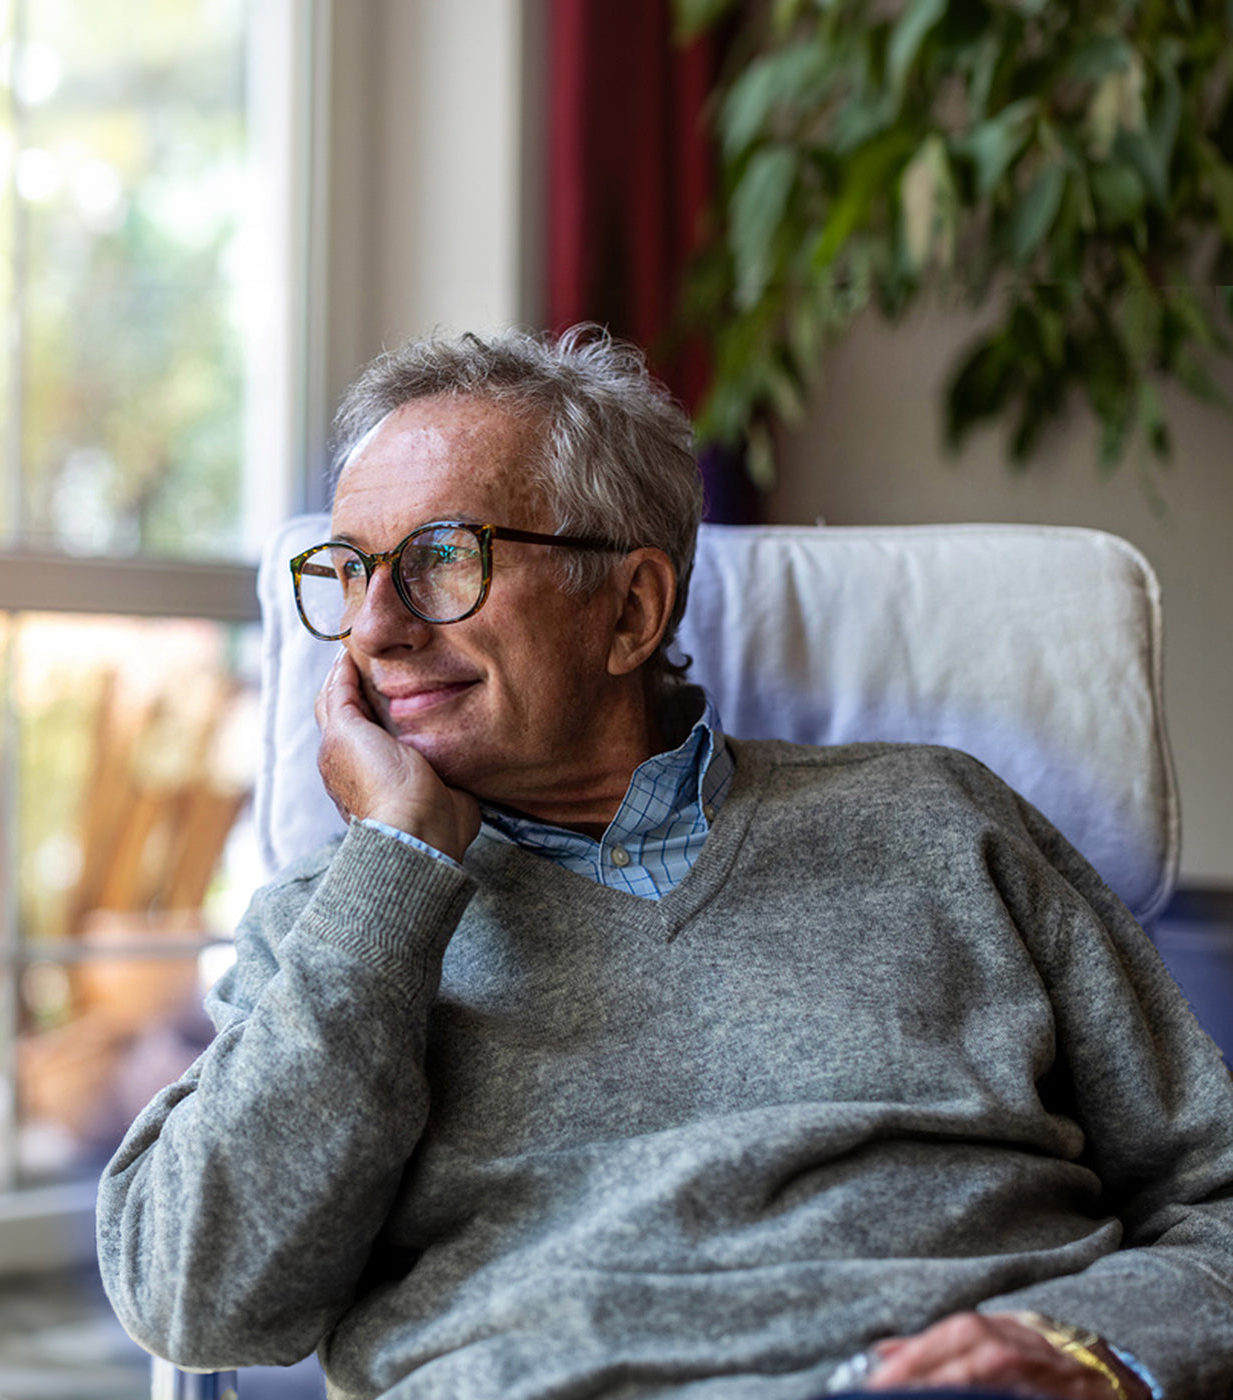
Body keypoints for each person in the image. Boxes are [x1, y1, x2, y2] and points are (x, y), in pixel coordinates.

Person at [96, 328, 1233, 1400]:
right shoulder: (336, 925)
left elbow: (1213, 1197)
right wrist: (394, 864)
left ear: (630, 608)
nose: (374, 628)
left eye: (442, 559)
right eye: (349, 570)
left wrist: (1089, 1349)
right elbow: (199, 1302)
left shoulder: (941, 822)